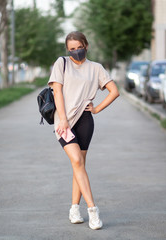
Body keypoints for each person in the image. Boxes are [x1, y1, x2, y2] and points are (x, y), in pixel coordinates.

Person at [48, 31, 119, 230]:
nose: (76, 51)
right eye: (72, 49)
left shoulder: (96, 68)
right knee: (77, 161)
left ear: (86, 46)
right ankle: (92, 210)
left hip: (85, 121)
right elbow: (57, 92)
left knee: (78, 166)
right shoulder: (61, 64)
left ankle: (73, 209)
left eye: (79, 47)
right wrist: (62, 119)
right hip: (63, 122)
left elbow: (115, 91)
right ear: (67, 50)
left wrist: (96, 108)